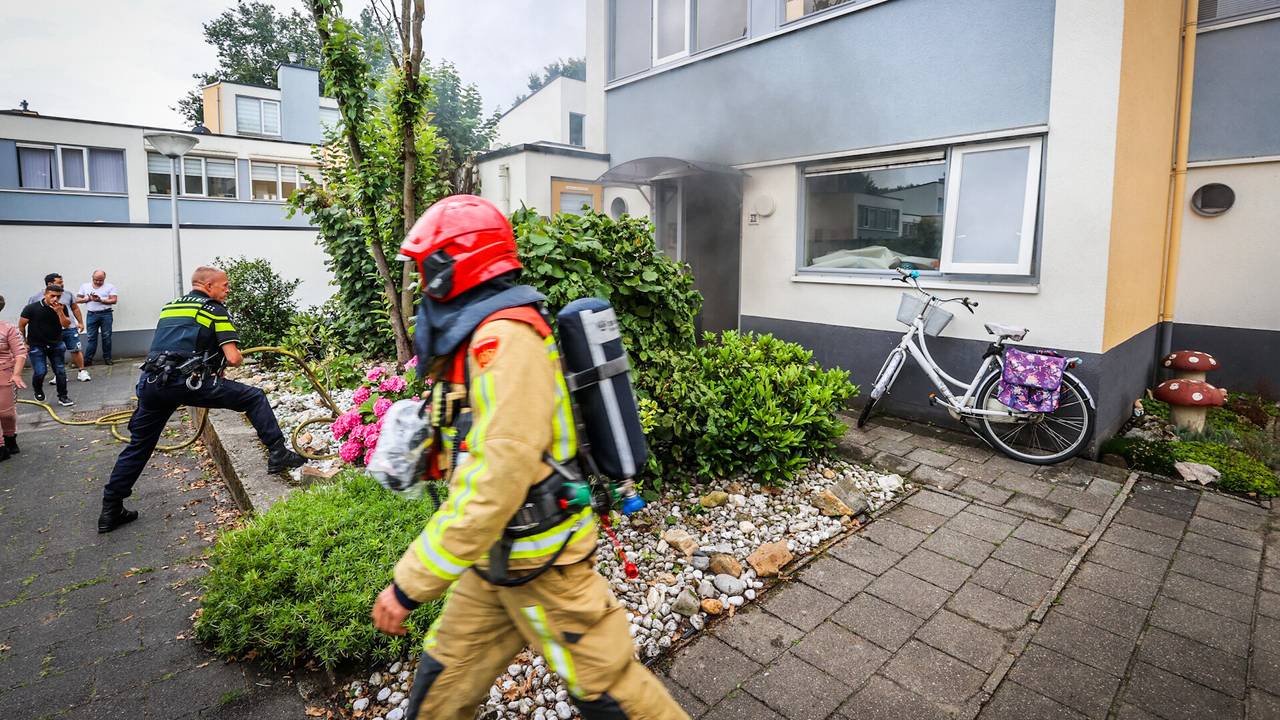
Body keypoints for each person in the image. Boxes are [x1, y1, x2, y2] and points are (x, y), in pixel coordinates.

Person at [373, 195, 687, 720]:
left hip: (544, 566)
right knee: (440, 687)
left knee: (614, 698)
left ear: (455, 267)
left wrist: (411, 583)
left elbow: (499, 475)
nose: (420, 286)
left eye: (427, 270)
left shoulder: (505, 338)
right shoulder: (480, 336)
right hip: (493, 562)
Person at [98, 266, 306, 533]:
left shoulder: (170, 307)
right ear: (207, 286)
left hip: (151, 382)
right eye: (224, 285)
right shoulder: (214, 309)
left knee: (139, 446)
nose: (228, 290)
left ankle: (110, 508)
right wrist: (228, 358)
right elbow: (233, 357)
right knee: (254, 397)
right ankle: (278, 453)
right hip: (188, 383)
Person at [18, 285, 74, 407]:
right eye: (52, 296)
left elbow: (66, 325)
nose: (55, 299)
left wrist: (59, 312)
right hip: (36, 345)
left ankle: (63, 396)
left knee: (60, 371)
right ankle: (38, 389)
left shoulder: (61, 308)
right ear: (45, 294)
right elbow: (22, 325)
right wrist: (24, 342)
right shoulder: (31, 308)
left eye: (58, 296)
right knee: (40, 371)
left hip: (56, 344)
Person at [29, 273, 89, 382]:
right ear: (50, 283)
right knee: (54, 353)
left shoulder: (67, 294)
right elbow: (31, 314)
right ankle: (59, 374)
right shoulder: (35, 298)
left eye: (62, 282)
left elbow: (75, 308)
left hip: (69, 327)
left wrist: (80, 322)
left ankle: (82, 371)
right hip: (50, 331)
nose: (62, 284)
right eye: (59, 282)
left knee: (75, 349)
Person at [0, 295, 27, 462]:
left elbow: (20, 353)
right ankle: (1, 446)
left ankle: (10, 438)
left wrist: (16, 374)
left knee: (6, 413)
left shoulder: (8, 329)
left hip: (5, 375)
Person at [76, 270, 118, 366]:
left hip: (106, 314)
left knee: (106, 337)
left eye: (101, 280)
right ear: (92, 278)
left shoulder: (110, 287)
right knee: (91, 338)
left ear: (104, 279)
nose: (98, 282)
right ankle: (88, 359)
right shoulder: (85, 286)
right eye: (96, 280)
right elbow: (77, 299)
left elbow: (114, 300)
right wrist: (87, 299)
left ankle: (107, 358)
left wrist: (100, 300)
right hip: (91, 314)